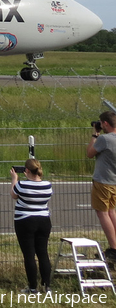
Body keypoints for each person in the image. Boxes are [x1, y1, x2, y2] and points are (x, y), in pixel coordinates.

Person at [10, 159, 52, 293]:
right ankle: (47, 286)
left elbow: (13, 195)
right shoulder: (47, 185)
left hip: (25, 221)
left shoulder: (21, 185)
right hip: (44, 221)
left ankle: (33, 287)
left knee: (29, 255)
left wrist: (14, 179)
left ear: (26, 171)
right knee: (43, 253)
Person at [87, 110, 116, 263]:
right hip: (114, 182)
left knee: (102, 213)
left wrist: (94, 134)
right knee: (112, 212)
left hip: (103, 181)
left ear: (105, 123)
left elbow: (90, 153)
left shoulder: (104, 139)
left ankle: (113, 248)